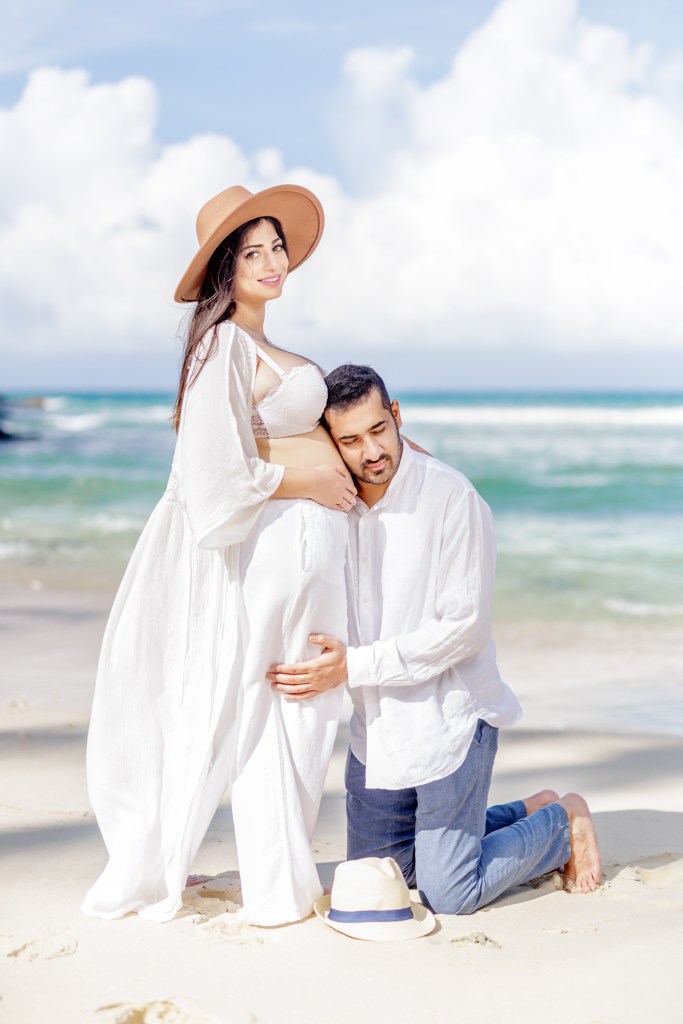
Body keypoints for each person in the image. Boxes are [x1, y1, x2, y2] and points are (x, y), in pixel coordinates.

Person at [82, 184, 359, 926]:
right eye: (251, 252)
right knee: (277, 708)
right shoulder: (221, 344)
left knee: (299, 710)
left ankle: (283, 878)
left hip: (305, 554)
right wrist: (305, 476)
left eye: (276, 248)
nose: (271, 263)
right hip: (277, 553)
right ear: (222, 269)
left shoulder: (262, 346)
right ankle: (278, 887)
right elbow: (210, 477)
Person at [268, 364, 602, 914]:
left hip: (451, 719)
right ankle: (523, 811)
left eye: (379, 429)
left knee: (449, 893)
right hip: (376, 730)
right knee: (383, 879)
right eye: (350, 440)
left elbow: (463, 629)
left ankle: (560, 823)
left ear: (396, 415)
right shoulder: (333, 505)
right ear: (331, 444)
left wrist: (352, 666)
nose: (371, 451)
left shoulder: (451, 497)